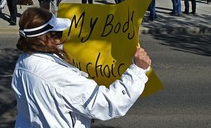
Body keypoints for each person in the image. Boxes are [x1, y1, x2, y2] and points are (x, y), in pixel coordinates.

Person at [12, 7, 151, 127]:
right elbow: (109, 103)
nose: (61, 39)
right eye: (59, 34)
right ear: (47, 38)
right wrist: (138, 70)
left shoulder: (23, 62)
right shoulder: (57, 75)